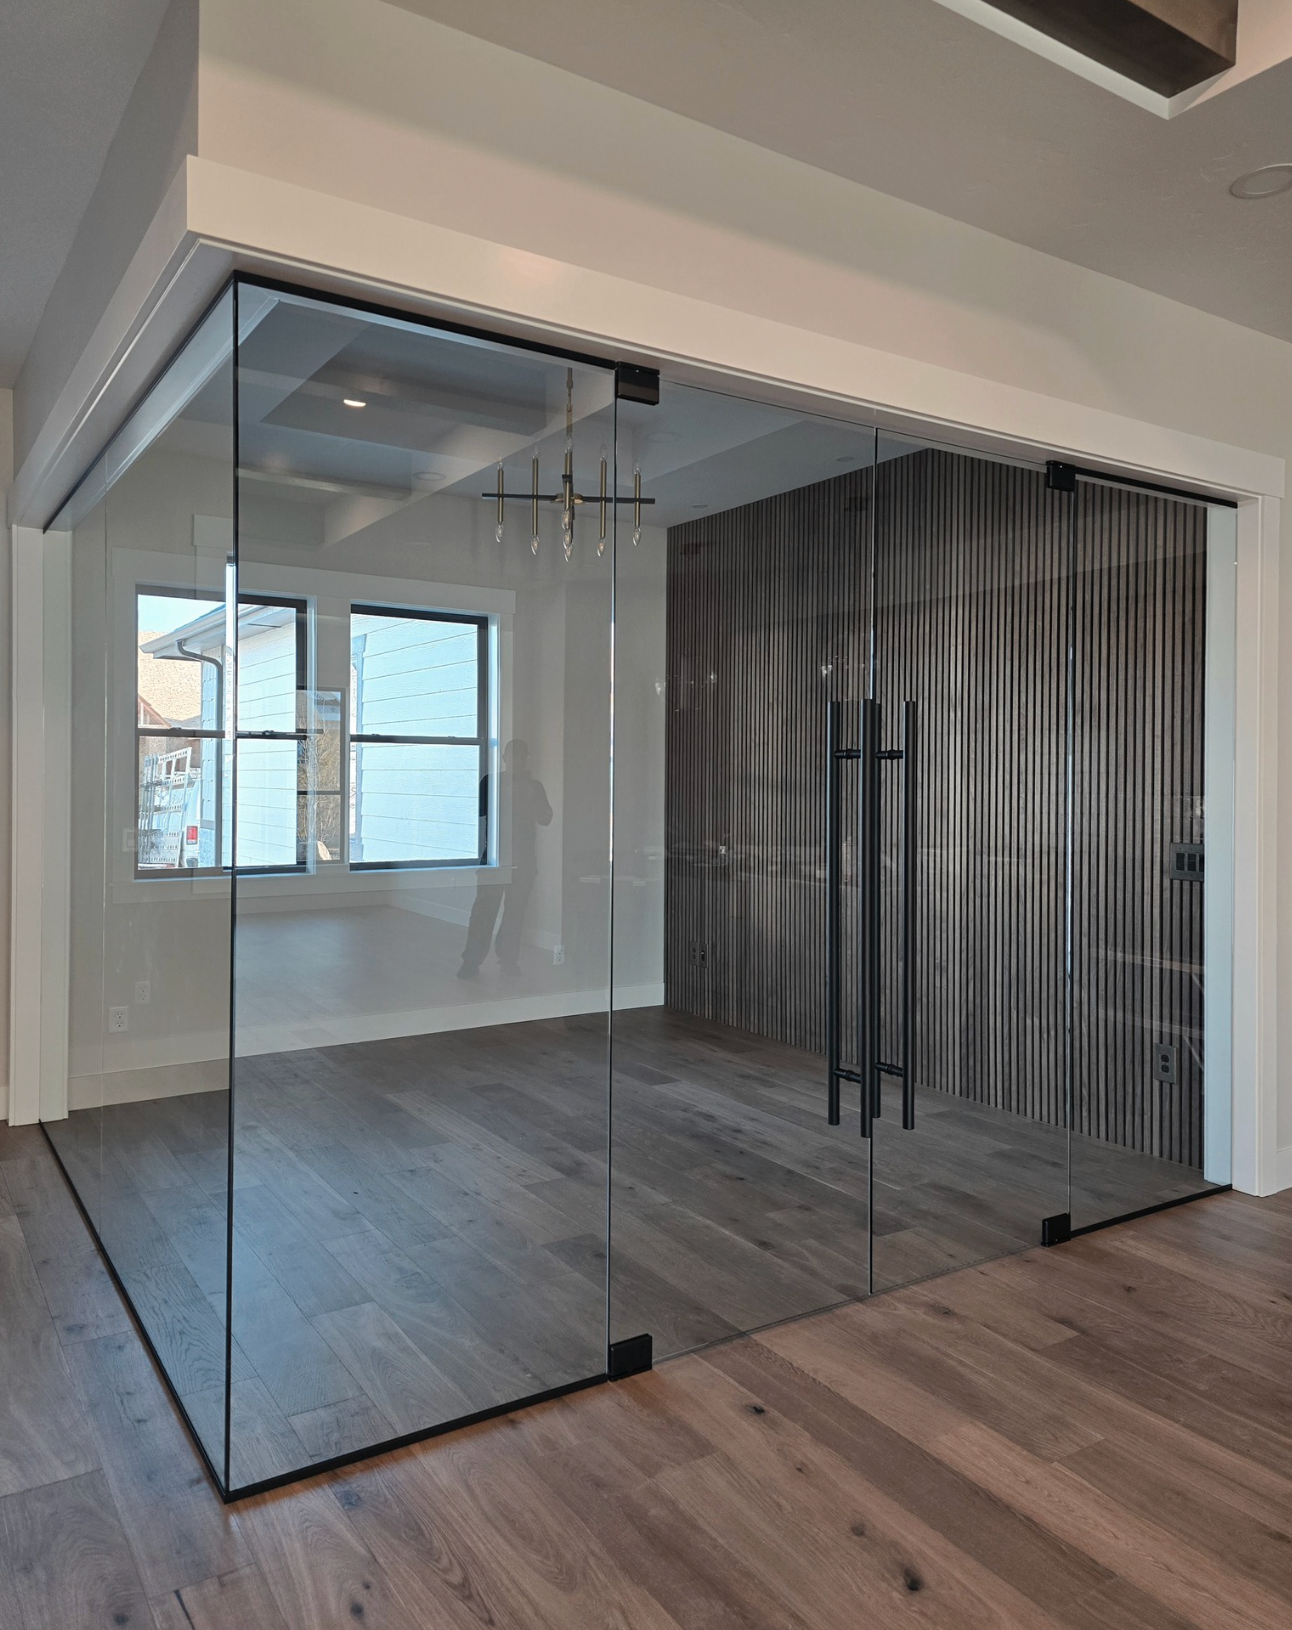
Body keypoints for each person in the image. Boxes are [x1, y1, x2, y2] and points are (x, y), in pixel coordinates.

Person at [458, 739, 552, 978]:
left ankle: (507, 960)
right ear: (505, 758)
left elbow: (546, 817)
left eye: (522, 757)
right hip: (495, 858)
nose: (518, 761)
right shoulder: (492, 782)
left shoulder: (534, 786)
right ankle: (472, 961)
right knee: (483, 912)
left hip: (523, 860)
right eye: (514, 756)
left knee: (514, 913)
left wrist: (529, 798)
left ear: (525, 759)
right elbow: (478, 811)